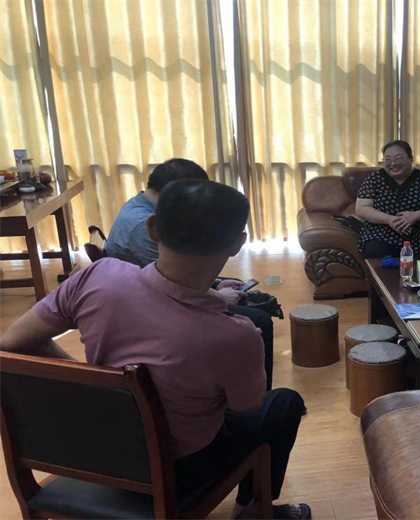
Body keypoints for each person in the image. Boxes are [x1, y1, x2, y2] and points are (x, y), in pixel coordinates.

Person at [0, 180, 309, 520]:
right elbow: (246, 406)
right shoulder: (236, 336)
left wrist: (94, 385)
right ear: (238, 244)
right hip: (177, 471)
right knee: (284, 403)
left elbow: (11, 343)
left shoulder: (98, 276)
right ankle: (251, 511)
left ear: (153, 229)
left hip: (92, 449)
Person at [105, 158, 276, 389]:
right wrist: (218, 297)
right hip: (157, 307)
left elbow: (173, 272)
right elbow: (171, 284)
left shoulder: (141, 207)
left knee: (237, 293)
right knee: (258, 320)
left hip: (152, 295)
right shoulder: (140, 224)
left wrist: (215, 285)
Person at [355, 140, 420, 258]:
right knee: (376, 250)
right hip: (381, 232)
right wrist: (389, 219)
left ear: (411, 158)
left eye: (398, 158)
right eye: (387, 159)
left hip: (417, 234)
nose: (393, 163)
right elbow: (362, 208)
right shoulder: (374, 178)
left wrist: (416, 215)